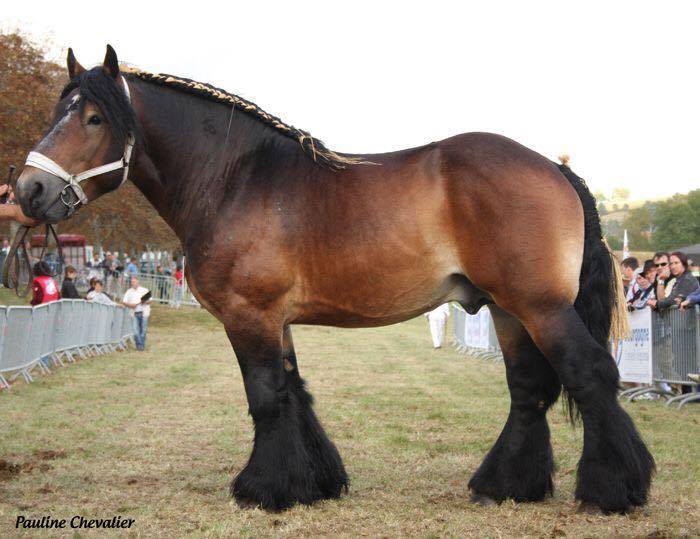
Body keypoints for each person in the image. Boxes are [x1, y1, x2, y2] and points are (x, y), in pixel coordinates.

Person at [122, 276, 151, 351]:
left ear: (138, 282)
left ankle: (141, 346)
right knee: (135, 331)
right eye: (132, 282)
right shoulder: (129, 291)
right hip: (134, 313)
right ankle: (140, 345)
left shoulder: (144, 290)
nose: (133, 283)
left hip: (144, 313)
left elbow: (150, 300)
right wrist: (131, 305)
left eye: (134, 282)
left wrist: (144, 301)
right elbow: (124, 302)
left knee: (143, 331)